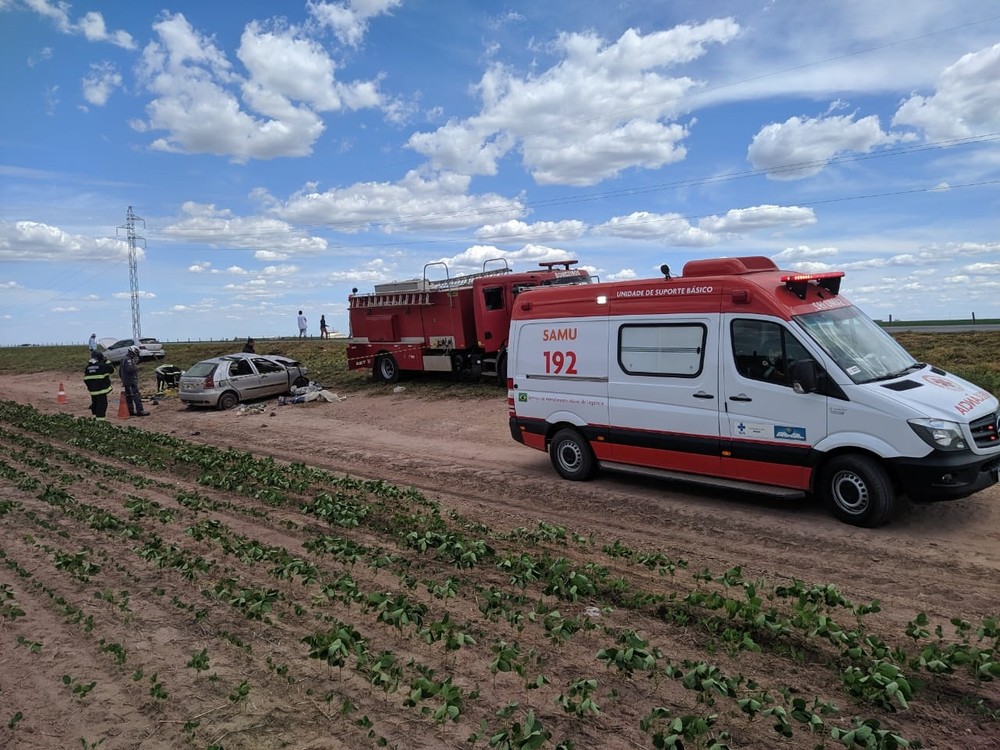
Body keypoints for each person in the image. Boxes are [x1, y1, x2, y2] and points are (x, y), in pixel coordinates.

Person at [83, 349, 114, 419]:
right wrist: (107, 361)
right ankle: (100, 421)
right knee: (102, 405)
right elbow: (111, 369)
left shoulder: (88, 367)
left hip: (92, 391)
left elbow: (86, 379)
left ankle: (94, 418)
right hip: (101, 390)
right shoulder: (102, 366)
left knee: (95, 404)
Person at [119, 345, 150, 417]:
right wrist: (136, 368)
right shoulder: (128, 359)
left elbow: (120, 371)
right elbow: (130, 370)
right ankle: (140, 410)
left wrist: (123, 379)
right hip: (131, 381)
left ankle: (130, 411)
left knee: (129, 396)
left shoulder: (123, 359)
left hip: (126, 381)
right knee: (136, 395)